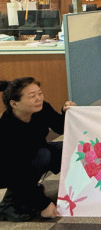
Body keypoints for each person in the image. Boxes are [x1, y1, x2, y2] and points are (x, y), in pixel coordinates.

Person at [0, 77, 76, 222]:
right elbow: (14, 172)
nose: (38, 98)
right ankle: (7, 204)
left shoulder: (42, 108)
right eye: (32, 96)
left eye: (40, 93)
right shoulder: (7, 128)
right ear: (14, 103)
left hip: (34, 154)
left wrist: (67, 111)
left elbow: (60, 127)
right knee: (42, 156)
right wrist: (43, 204)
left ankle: (29, 192)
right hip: (7, 171)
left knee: (68, 149)